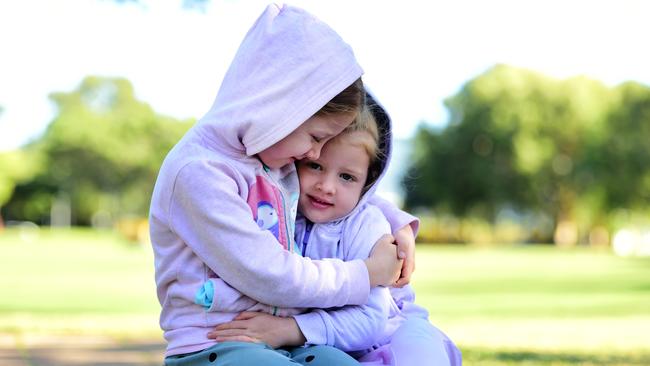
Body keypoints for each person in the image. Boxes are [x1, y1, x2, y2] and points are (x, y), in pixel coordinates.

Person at [149, 4, 418, 365]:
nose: (314, 152)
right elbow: (269, 274)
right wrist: (365, 274)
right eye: (315, 138)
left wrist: (397, 224)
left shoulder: (272, 158)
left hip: (279, 339)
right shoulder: (201, 173)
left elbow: (340, 189)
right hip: (213, 342)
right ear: (280, 108)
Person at [204, 96, 463, 365]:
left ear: (367, 184)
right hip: (325, 344)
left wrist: (289, 329)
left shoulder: (367, 226)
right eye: (315, 166)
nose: (326, 186)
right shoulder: (280, 213)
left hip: (389, 336)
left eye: (347, 177)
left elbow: (369, 321)